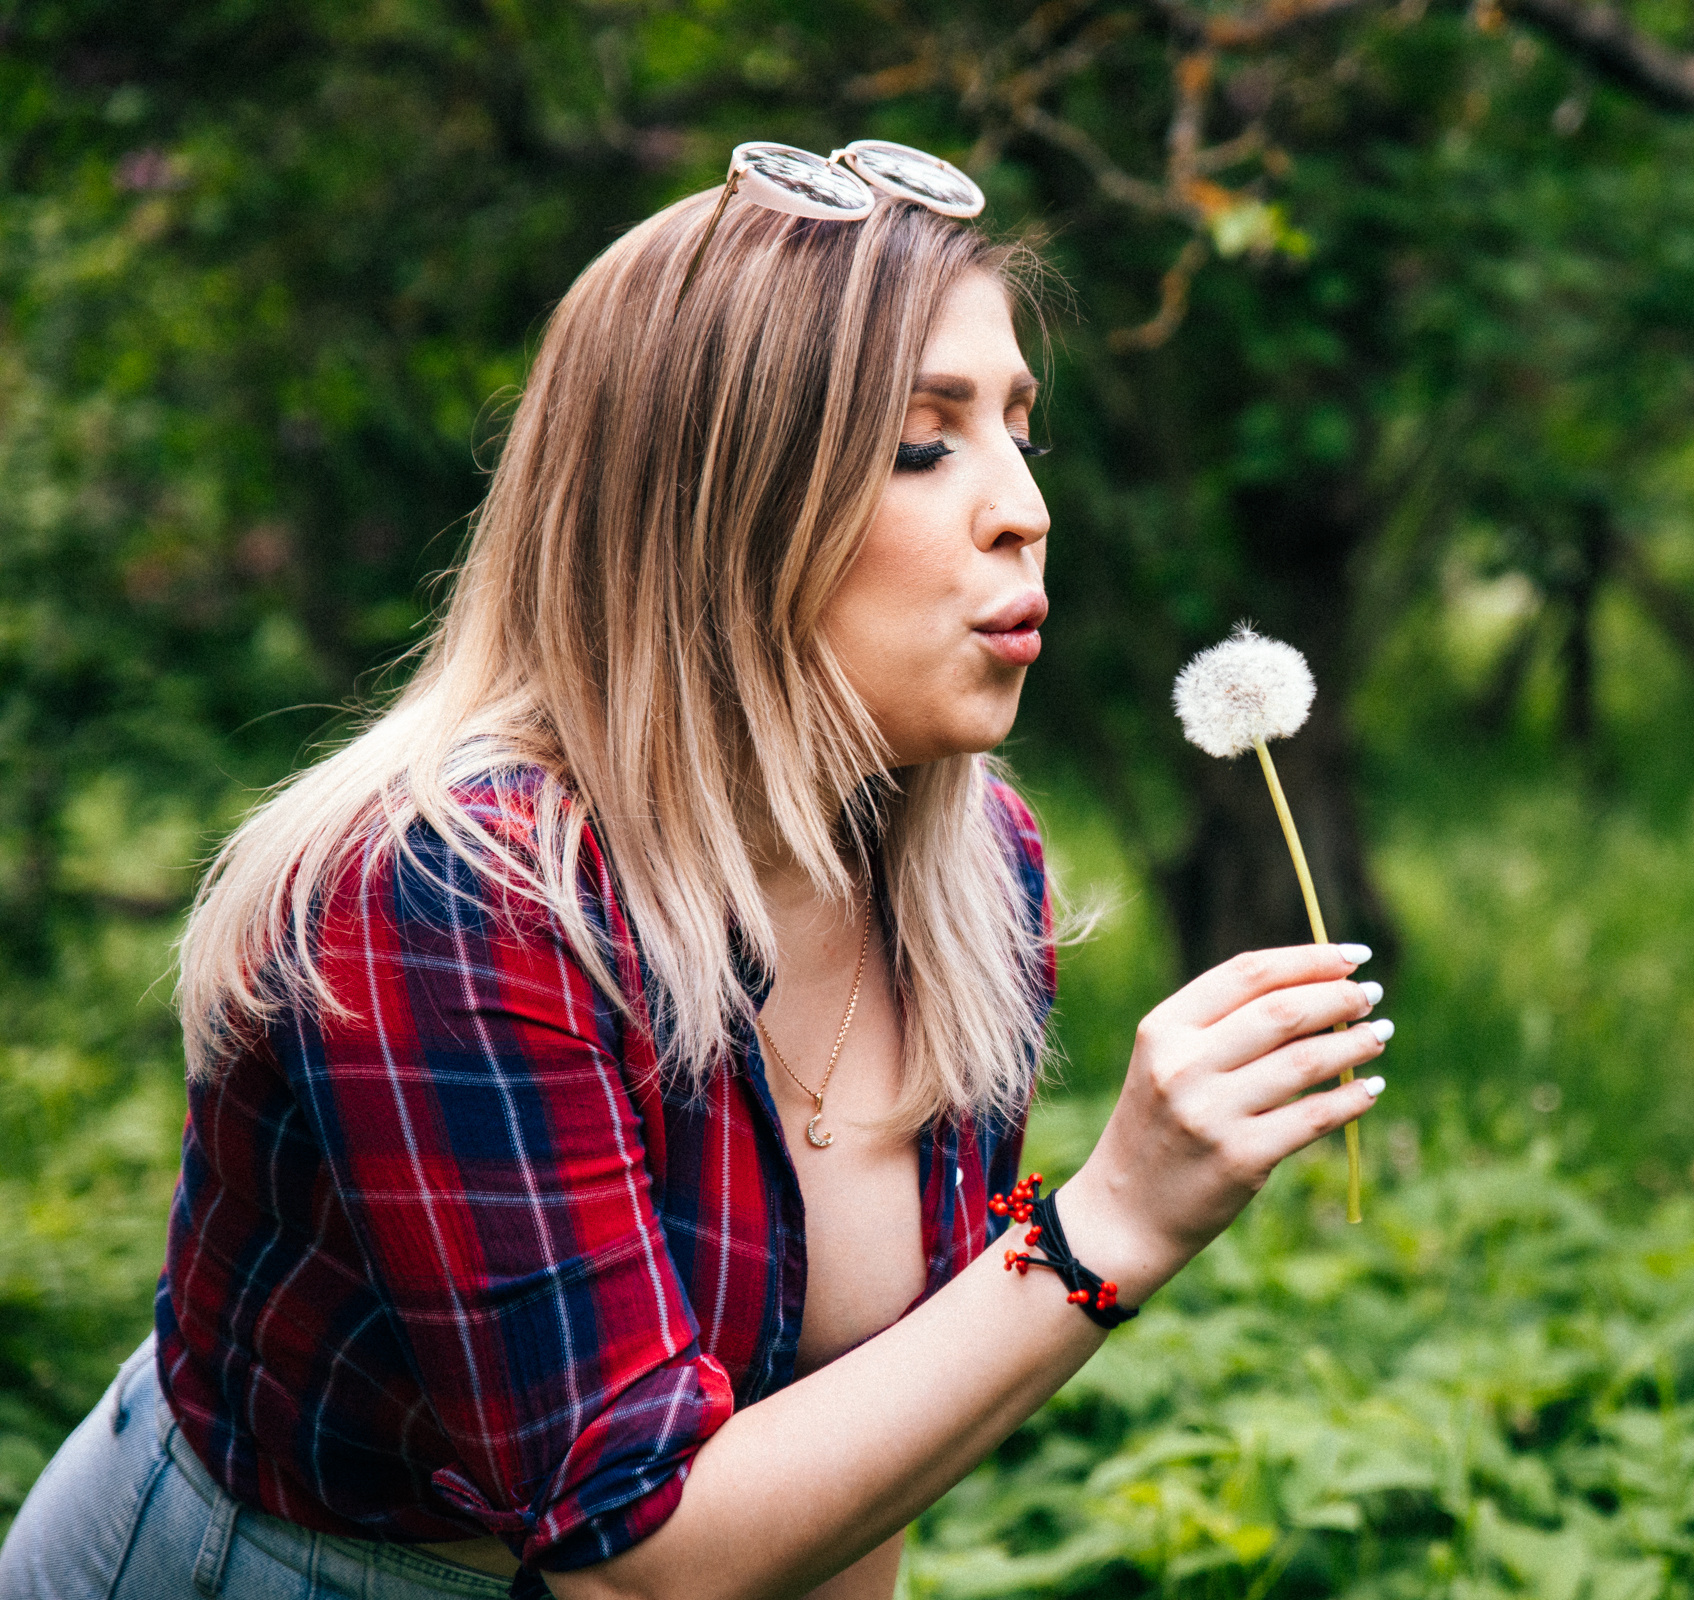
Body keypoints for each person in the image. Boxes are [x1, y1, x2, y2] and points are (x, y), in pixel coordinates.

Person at [0, 138, 1390, 1600]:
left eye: (1018, 431)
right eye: (927, 443)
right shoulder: (448, 898)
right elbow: (639, 1561)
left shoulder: (976, 874)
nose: (1024, 508)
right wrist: (1106, 1227)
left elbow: (855, 1451)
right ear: (719, 505)